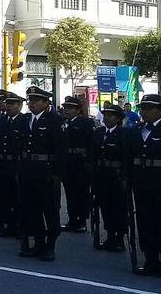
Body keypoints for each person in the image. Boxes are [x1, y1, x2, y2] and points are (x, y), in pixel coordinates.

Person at [18, 86, 66, 261]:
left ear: (46, 103)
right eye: (30, 100)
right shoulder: (25, 120)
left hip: (46, 172)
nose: (32, 103)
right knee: (31, 210)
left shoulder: (55, 121)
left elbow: (61, 149)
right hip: (28, 171)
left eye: (36, 100)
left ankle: (50, 245)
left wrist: (57, 174)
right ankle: (37, 243)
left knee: (49, 210)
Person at [0, 91, 27, 238]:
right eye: (7, 103)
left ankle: (18, 225)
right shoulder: (0, 120)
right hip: (1, 163)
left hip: (16, 164)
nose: (9, 106)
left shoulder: (25, 121)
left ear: (20, 105)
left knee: (18, 197)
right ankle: (5, 224)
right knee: (3, 196)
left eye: (12, 104)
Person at [130, 94, 161, 275]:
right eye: (143, 108)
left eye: (150, 108)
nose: (145, 112)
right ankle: (151, 258)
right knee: (145, 220)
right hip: (141, 183)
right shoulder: (137, 129)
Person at [92, 103, 130, 253]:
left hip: (117, 176)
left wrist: (125, 177)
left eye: (111, 116)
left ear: (118, 118)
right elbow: (93, 154)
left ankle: (119, 238)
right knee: (104, 206)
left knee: (118, 208)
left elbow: (127, 157)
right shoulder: (99, 133)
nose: (107, 118)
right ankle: (110, 235)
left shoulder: (124, 134)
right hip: (101, 174)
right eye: (106, 115)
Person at [60, 96, 96, 233]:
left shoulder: (85, 123)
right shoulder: (63, 123)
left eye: (70, 108)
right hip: (67, 162)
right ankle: (72, 219)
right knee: (70, 192)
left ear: (78, 110)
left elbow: (91, 144)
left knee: (81, 192)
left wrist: (89, 162)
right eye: (65, 108)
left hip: (80, 162)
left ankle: (82, 220)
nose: (66, 110)